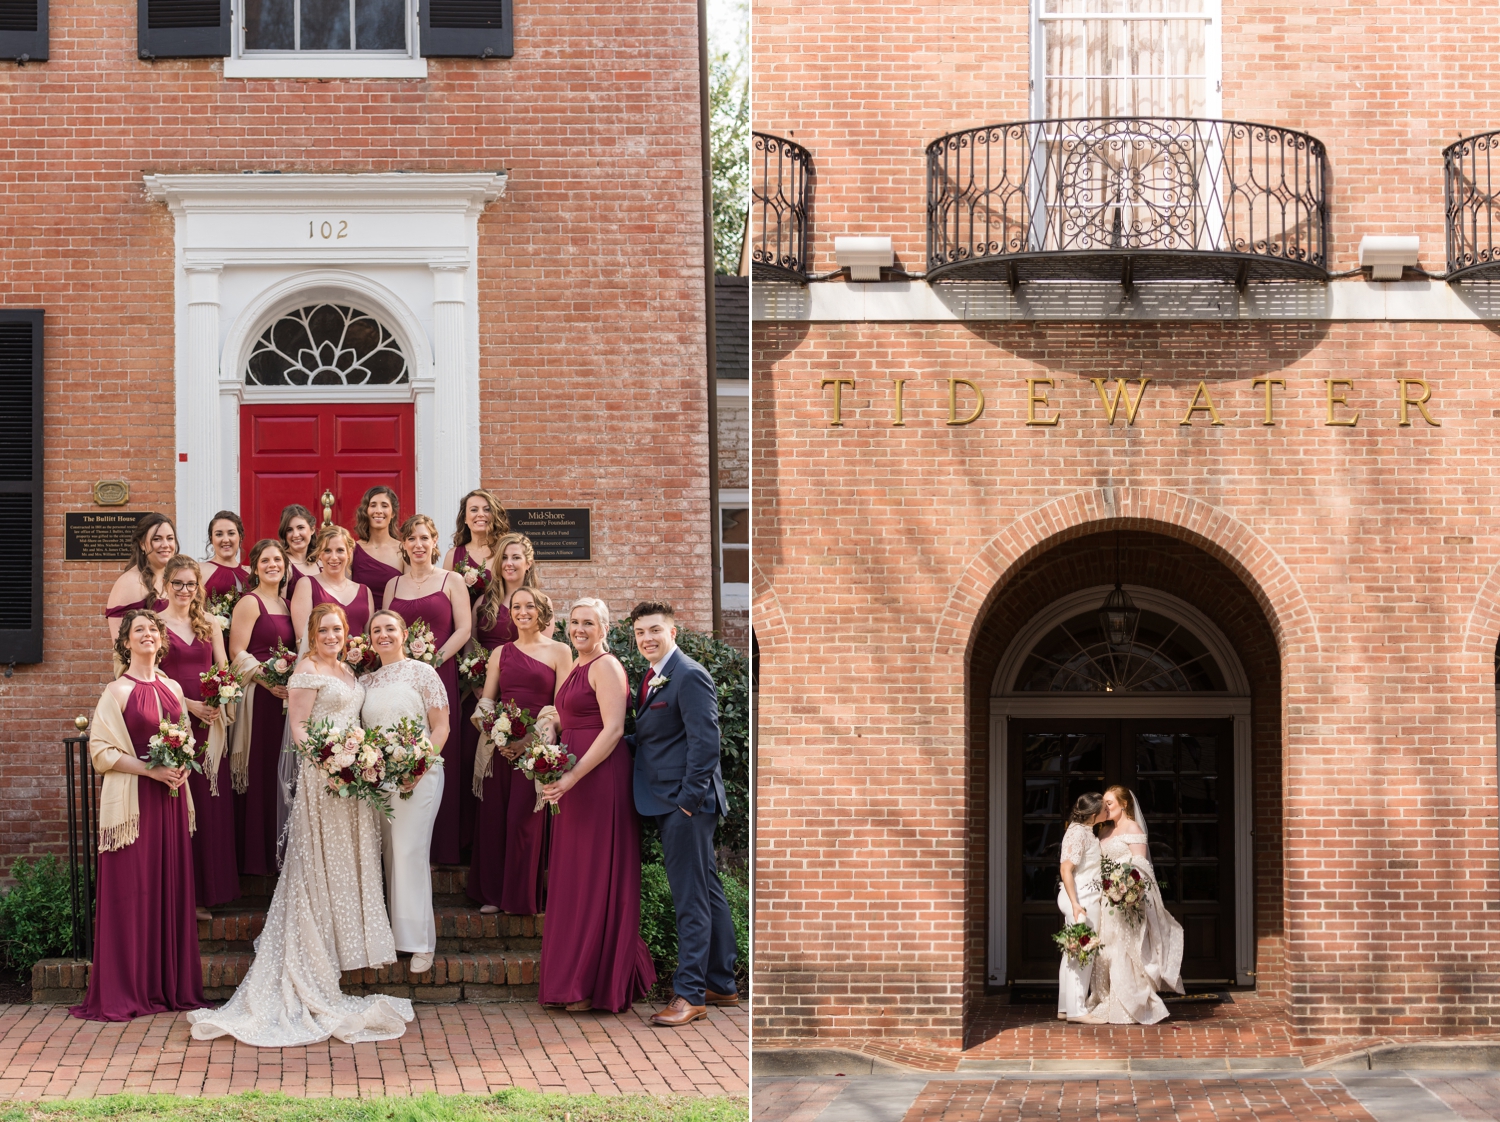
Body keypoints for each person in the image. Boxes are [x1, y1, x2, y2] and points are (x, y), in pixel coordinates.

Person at [189, 602, 413, 1046]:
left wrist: (360, 763)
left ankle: (335, 952)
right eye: (324, 629)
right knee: (317, 865)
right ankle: (307, 961)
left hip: (354, 782)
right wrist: (332, 765)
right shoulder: (306, 670)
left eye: (338, 629)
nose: (332, 635)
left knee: (348, 863)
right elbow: (300, 728)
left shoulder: (350, 669)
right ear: (312, 632)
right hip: (324, 778)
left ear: (347, 632)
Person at [71, 609, 205, 1021]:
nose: (147, 635)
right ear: (126, 641)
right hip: (134, 805)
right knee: (134, 892)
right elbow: (101, 752)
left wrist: (181, 766)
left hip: (169, 800)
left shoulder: (173, 686)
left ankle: (168, 987)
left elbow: (184, 739)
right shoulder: (116, 692)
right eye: (138, 630)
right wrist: (151, 769)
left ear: (161, 641)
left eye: (153, 629)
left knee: (167, 889)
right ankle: (128, 989)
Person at [537, 598, 656, 1013]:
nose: (579, 629)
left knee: (593, 874)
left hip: (598, 778)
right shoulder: (576, 665)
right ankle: (573, 979)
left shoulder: (606, 666)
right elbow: (562, 711)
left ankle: (591, 983)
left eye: (589, 622)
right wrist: (550, 727)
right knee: (574, 875)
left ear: (605, 627)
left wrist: (570, 776)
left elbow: (614, 730)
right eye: (574, 622)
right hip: (574, 776)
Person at [627, 601, 736, 1026]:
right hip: (672, 799)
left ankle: (690, 995)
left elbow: (706, 742)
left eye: (654, 630)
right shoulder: (652, 676)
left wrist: (688, 801)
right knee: (707, 889)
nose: (646, 639)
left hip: (685, 804)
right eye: (639, 632)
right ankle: (721, 982)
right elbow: (657, 739)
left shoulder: (688, 674)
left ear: (674, 632)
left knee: (690, 898)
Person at [468, 587, 569, 915]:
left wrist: (531, 742)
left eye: (530, 606)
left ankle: (519, 897)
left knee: (524, 820)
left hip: (537, 749)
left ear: (542, 612)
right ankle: (494, 895)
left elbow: (561, 705)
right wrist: (499, 737)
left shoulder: (560, 651)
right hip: (501, 747)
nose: (522, 612)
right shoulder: (501, 653)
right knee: (495, 819)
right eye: (517, 607)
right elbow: (487, 700)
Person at [361, 609, 450, 976]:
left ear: (403, 633)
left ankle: (420, 943)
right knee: (387, 856)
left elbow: (441, 726)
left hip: (419, 773)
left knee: (409, 851)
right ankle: (392, 938)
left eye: (390, 628)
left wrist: (418, 766)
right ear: (369, 639)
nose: (384, 634)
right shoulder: (364, 681)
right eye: (376, 630)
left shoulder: (422, 672)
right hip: (378, 778)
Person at [384, 514, 471, 864]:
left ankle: (442, 847)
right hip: (401, 680)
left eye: (424, 538)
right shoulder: (392, 585)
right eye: (411, 539)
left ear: (435, 542)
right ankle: (400, 841)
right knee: (403, 742)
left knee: (437, 747)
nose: (418, 545)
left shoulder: (452, 580)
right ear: (403, 545)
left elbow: (464, 629)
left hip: (439, 674)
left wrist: (432, 661)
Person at [157, 555, 239, 920]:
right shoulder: (154, 624)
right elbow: (153, 676)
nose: (185, 590)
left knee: (210, 802)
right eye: (178, 583)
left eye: (191, 584)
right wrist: (188, 704)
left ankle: (211, 891)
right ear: (166, 585)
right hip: (174, 722)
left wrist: (221, 697)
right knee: (181, 806)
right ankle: (182, 897)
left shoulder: (209, 623)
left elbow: (223, 668)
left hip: (210, 723)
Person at [1075, 785, 1185, 1025]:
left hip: (1125, 898)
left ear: (1123, 804)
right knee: (1104, 949)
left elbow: (1140, 865)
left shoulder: (1132, 828)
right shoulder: (1103, 831)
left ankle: (1131, 1003)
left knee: (1124, 948)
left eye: (1110, 803)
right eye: (1103, 804)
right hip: (1103, 899)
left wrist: (1125, 888)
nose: (1105, 808)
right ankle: (1106, 997)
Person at [459, 531, 537, 851]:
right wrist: (477, 684)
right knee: (474, 771)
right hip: (482, 701)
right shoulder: (482, 603)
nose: (509, 563)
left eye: (516, 557)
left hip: (519, 700)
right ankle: (472, 847)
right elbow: (469, 645)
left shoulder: (537, 604)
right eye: (503, 557)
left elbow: (541, 654)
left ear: (528, 562)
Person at [228, 539, 295, 877]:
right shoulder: (249, 602)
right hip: (259, 697)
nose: (273, 565)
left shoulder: (287, 603)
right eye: (266, 560)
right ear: (254, 567)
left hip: (285, 699)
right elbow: (236, 652)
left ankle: (280, 854)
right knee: (260, 772)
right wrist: (268, 680)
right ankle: (255, 858)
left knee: (282, 774)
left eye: (278, 560)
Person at [1057, 792, 1103, 1020]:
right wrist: (1075, 904)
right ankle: (1077, 1011)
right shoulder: (1077, 833)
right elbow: (1066, 869)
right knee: (1083, 951)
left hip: (1087, 895)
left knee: (1071, 953)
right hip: (1082, 897)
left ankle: (1065, 1008)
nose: (1107, 812)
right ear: (1094, 814)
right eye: (1104, 809)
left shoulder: (1085, 831)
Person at [291, 524, 374, 649]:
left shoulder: (365, 591)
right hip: (321, 665)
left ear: (349, 553)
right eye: (327, 551)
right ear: (319, 554)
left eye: (340, 550)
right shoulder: (306, 585)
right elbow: (303, 639)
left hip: (362, 666)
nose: (334, 557)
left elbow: (370, 639)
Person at [104, 513, 176, 639]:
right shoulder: (129, 583)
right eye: (157, 539)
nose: (165, 545)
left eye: (170, 538)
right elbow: (121, 647)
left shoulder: (176, 578)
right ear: (142, 544)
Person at [442, 487, 511, 594]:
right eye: (474, 510)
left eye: (487, 509)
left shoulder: (507, 551)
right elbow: (446, 598)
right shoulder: (452, 556)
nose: (480, 514)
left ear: (495, 516)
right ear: (465, 518)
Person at [350, 486, 404, 602]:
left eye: (384, 506)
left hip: (394, 618)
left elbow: (409, 593)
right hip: (361, 618)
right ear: (366, 511)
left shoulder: (403, 550)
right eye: (373, 505)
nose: (378, 510)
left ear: (393, 513)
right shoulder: (352, 549)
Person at [201, 511, 250, 602]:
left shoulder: (252, 573)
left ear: (240, 537)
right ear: (211, 539)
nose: (226, 540)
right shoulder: (199, 570)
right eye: (219, 534)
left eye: (231, 533)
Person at [279, 504, 319, 603]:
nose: (296, 535)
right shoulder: (283, 564)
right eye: (289, 530)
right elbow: (279, 607)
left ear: (312, 529)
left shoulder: (321, 563)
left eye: (300, 528)